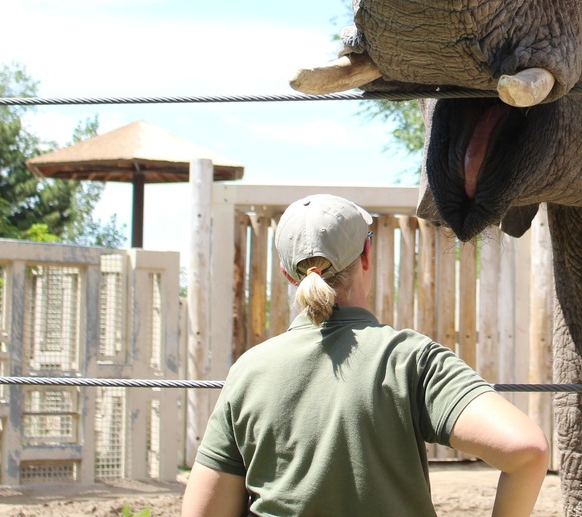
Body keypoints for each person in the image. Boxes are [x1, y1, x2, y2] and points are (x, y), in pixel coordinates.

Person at [181, 194, 549, 517]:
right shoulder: (409, 359)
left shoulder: (248, 372)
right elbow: (527, 451)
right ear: (367, 254)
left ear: (287, 274)